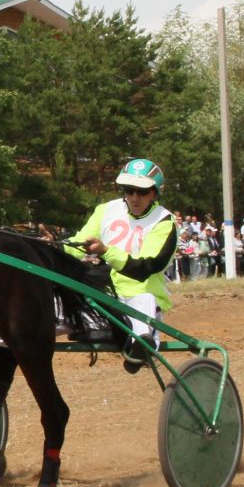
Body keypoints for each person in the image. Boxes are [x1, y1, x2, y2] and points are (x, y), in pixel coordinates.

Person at [67, 157, 179, 373]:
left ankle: (142, 345)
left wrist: (106, 252)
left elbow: (147, 267)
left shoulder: (165, 222)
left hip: (142, 297)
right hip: (105, 296)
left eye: (142, 192)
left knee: (145, 299)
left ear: (154, 193)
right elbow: (78, 243)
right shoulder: (106, 210)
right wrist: (52, 248)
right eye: (129, 190)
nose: (135, 198)